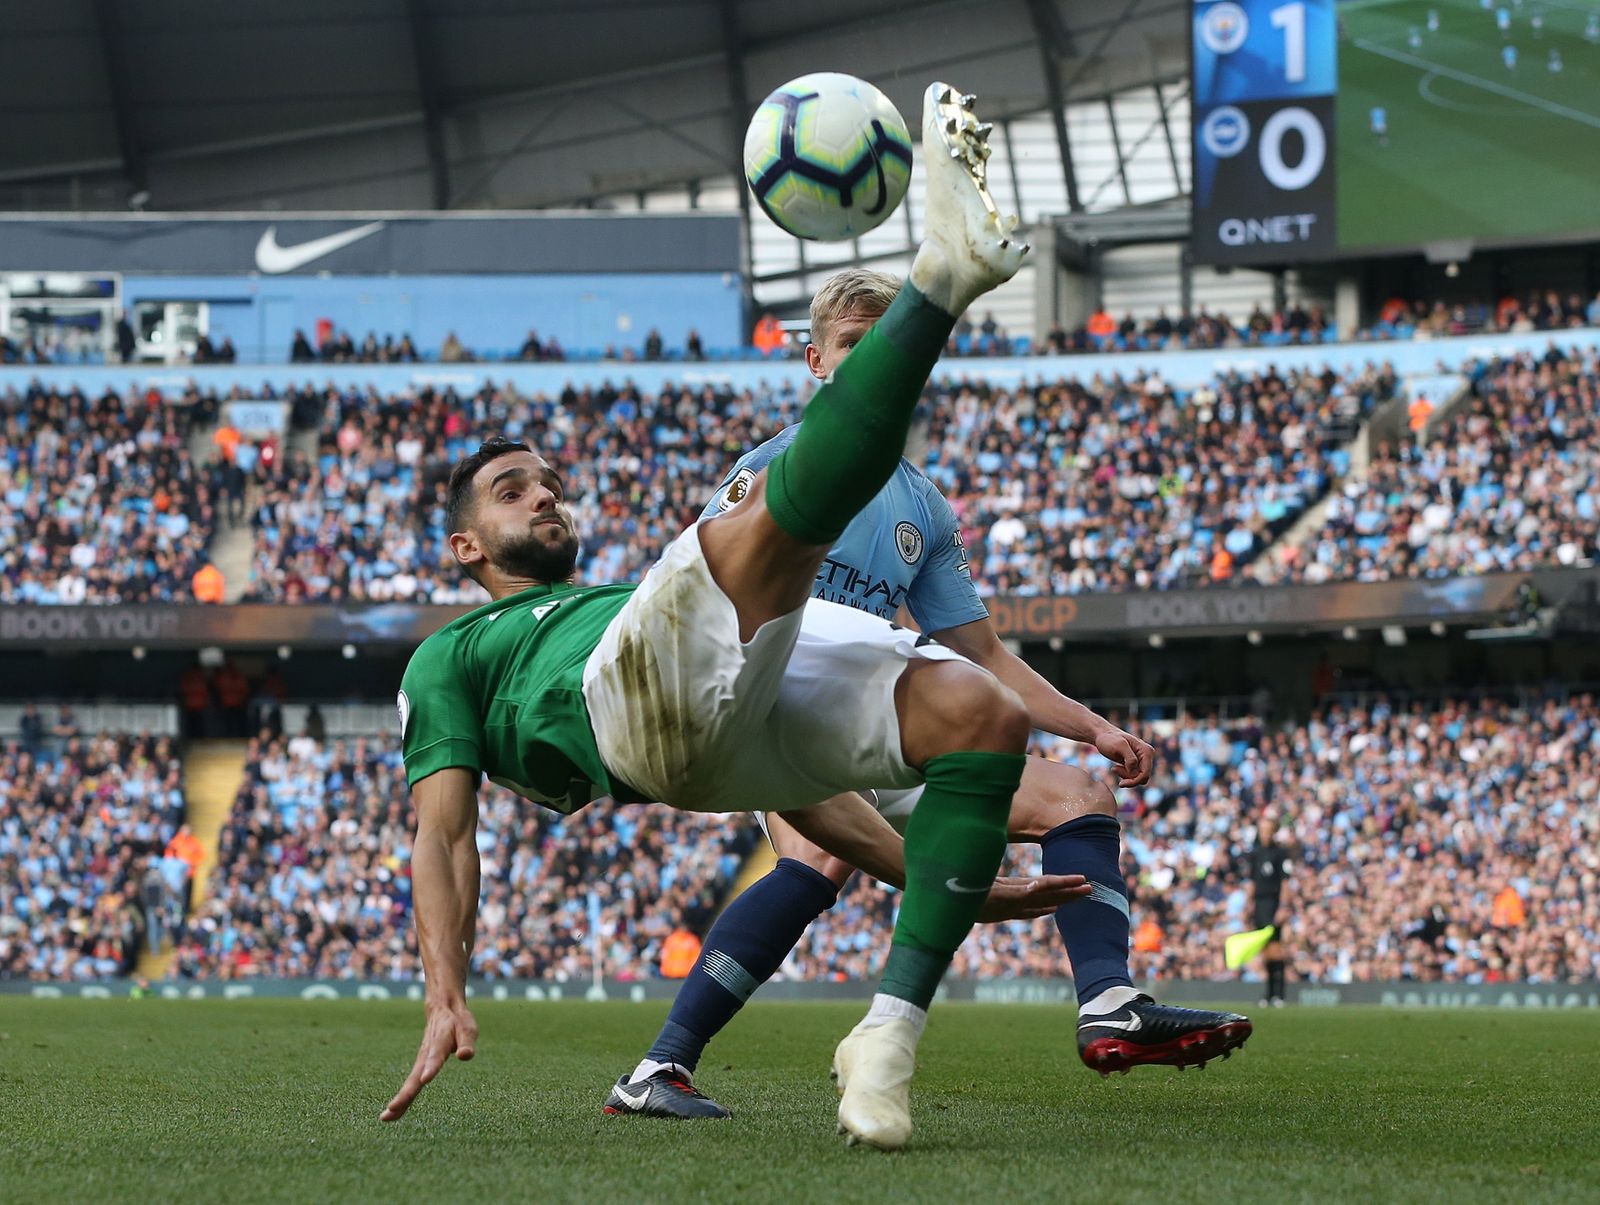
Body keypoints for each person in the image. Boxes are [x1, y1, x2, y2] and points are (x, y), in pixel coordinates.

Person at [382, 83, 1073, 1152]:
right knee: (769, 526)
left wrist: (948, 884)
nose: (546, 494)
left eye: (550, 481)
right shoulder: (454, 652)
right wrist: (443, 987)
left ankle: (885, 1039)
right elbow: (444, 833)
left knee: (977, 712)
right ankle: (941, 280)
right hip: (617, 710)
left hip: (713, 736)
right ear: (466, 546)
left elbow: (811, 789)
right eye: (513, 489)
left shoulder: (609, 595)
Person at [610, 268, 1250, 1120]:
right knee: (820, 858)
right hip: (787, 716)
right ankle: (659, 1068)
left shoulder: (926, 510)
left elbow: (981, 652)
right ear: (815, 361)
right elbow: (700, 610)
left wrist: (1094, 727)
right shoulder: (768, 470)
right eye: (853, 345)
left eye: (891, 343)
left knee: (1079, 797)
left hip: (886, 724)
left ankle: (1109, 1004)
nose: (876, 358)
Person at [1248, 815, 1294, 1006]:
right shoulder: (1256, 853)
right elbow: (1252, 881)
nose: (1264, 834)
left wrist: (1283, 906)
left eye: (1267, 830)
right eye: (1262, 830)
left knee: (1276, 948)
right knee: (1265, 950)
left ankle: (1279, 994)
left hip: (1274, 903)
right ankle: (1268, 993)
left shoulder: (1280, 853)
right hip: (1260, 904)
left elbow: (1285, 881)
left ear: (1274, 832)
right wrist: (1249, 903)